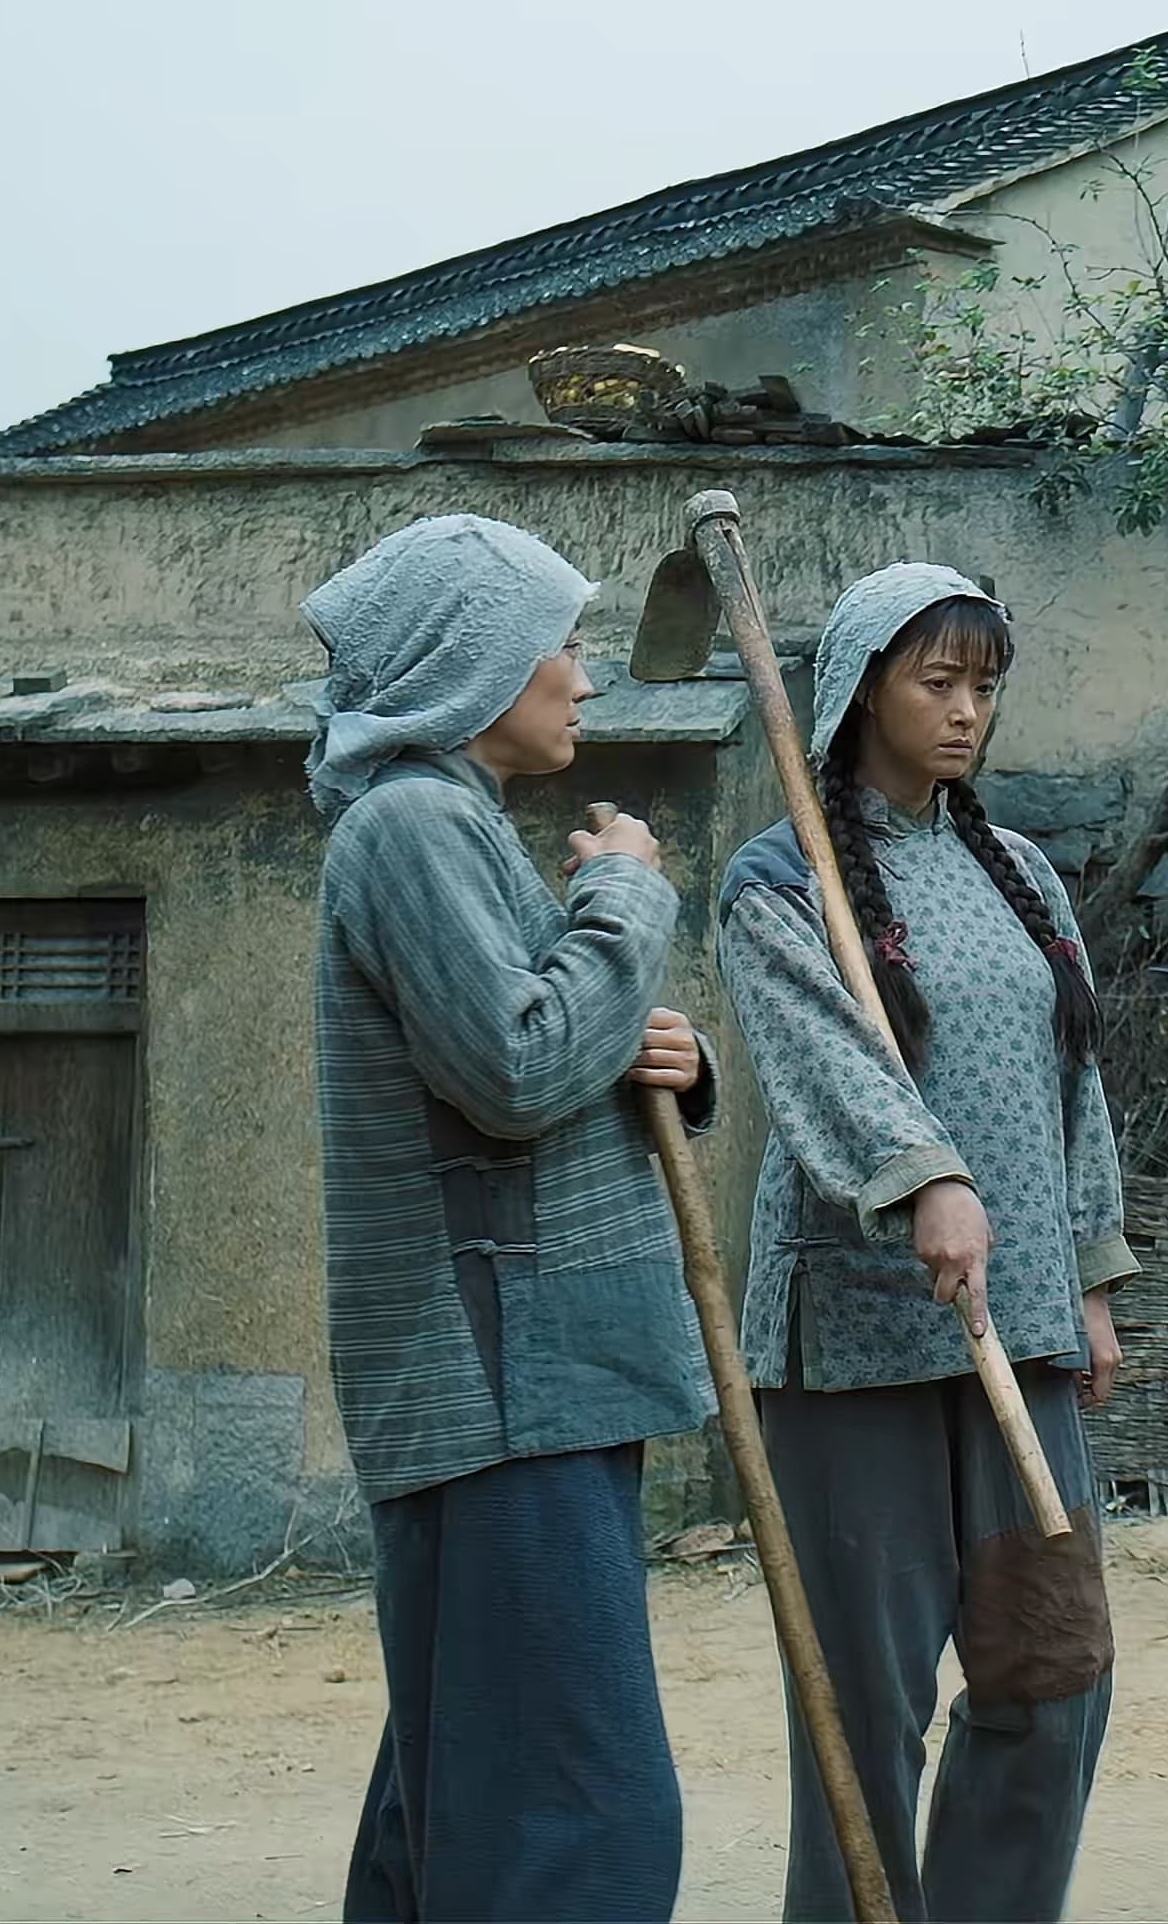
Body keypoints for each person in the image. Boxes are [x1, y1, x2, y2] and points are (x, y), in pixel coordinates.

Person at [302, 513, 713, 1924]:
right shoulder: (413, 825)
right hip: (501, 1386)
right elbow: (519, 1071)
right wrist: (626, 896)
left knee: (469, 1801)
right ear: (473, 662)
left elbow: (533, 1046)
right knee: (578, 1819)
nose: (584, 676)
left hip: (522, 1376)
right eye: (562, 642)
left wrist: (670, 1060)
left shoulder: (451, 824)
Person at [720, 563, 1128, 1924]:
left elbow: (1077, 1081)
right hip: (858, 1344)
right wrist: (926, 1179)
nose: (966, 712)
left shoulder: (1023, 875)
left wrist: (1089, 1274)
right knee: (863, 1710)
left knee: (1054, 1671)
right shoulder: (782, 880)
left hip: (1023, 1326)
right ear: (858, 692)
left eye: (984, 686)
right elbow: (824, 1062)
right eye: (936, 681)